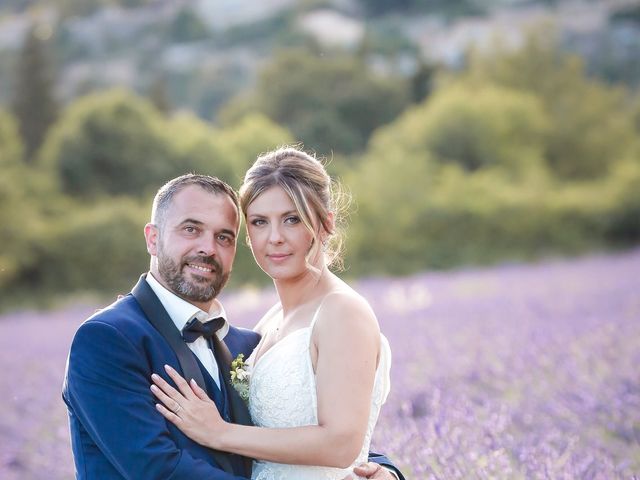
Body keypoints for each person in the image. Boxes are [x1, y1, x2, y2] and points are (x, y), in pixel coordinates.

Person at [62, 172, 403, 479]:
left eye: (224, 237)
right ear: (152, 238)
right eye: (191, 229)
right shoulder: (107, 338)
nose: (207, 248)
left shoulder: (245, 344)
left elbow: (301, 431)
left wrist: (381, 470)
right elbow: (158, 470)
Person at [150, 147, 398, 479]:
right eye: (259, 222)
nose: (275, 238)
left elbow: (342, 444)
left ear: (325, 224)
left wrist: (220, 433)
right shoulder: (269, 322)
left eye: (292, 219)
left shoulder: (342, 312)